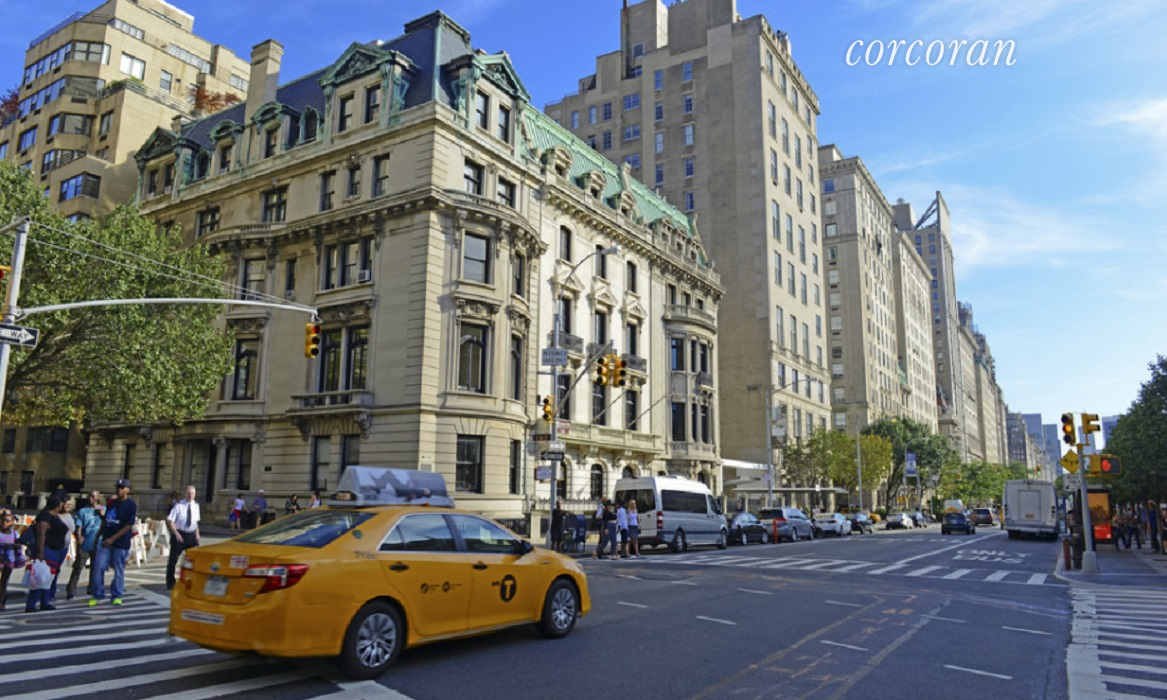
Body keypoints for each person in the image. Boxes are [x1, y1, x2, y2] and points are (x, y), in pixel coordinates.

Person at [90, 479, 137, 607]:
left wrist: (113, 538)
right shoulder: (112, 502)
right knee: (98, 567)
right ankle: (97, 594)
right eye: (118, 487)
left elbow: (128, 525)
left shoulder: (131, 505)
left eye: (122, 487)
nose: (119, 490)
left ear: (127, 489)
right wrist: (97, 537)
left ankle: (116, 595)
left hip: (120, 543)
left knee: (118, 569)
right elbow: (105, 521)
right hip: (106, 540)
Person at [26, 495, 68, 612]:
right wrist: (40, 552)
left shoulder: (55, 516)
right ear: (57, 505)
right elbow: (41, 534)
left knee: (48, 578)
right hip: (46, 549)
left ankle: (45, 602)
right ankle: (31, 604)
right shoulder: (45, 516)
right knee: (39, 578)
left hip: (56, 550)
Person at [66, 490, 102, 600]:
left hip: (98, 543)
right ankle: (71, 591)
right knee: (78, 568)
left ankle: (91, 588)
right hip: (85, 543)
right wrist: (78, 539)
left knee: (95, 568)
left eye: (93, 496)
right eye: (89, 496)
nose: (90, 498)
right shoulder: (83, 511)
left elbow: (107, 521)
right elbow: (79, 527)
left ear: (97, 498)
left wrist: (102, 514)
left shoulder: (102, 509)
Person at [165, 485, 200, 591]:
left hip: (191, 535)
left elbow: (195, 522)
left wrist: (197, 534)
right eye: (189, 493)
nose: (190, 496)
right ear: (185, 494)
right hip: (179, 534)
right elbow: (170, 521)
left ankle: (193, 581)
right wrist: (176, 534)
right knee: (173, 560)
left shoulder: (196, 506)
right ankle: (170, 583)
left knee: (195, 559)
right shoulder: (179, 506)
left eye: (192, 494)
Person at [0, 509, 26, 611]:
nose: (4, 523)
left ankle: (2, 603)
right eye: (2, 520)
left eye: (7, 521)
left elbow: (20, 546)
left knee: (4, 582)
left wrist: (15, 546)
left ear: (12, 522)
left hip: (9, 561)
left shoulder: (15, 534)